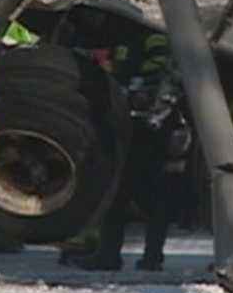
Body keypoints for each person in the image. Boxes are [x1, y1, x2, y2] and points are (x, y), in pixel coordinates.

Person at [68, 32, 195, 272]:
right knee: (135, 192)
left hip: (148, 122)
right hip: (142, 121)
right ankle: (134, 255)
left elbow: (160, 73)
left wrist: (131, 86)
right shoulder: (133, 37)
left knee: (132, 191)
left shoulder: (151, 36)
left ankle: (120, 255)